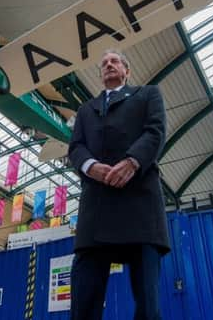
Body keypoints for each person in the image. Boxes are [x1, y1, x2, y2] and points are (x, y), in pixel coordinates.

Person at [68, 49, 170, 320]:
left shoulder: (148, 95)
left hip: (140, 206)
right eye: (104, 64)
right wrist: (91, 167)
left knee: (148, 304)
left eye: (114, 61)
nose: (109, 65)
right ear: (100, 75)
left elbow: (155, 131)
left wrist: (133, 161)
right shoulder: (85, 110)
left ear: (127, 70)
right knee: (83, 300)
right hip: (96, 211)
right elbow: (76, 147)